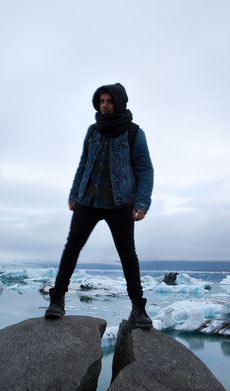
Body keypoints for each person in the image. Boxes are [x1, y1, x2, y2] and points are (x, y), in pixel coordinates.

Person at [45, 83, 154, 328]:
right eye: (101, 101)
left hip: (121, 202)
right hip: (88, 200)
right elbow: (83, 164)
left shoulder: (134, 133)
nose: (104, 105)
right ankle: (57, 300)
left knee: (127, 254)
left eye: (108, 101)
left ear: (119, 102)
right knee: (72, 247)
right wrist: (74, 193)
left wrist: (142, 203)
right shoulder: (93, 131)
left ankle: (138, 307)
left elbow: (145, 169)